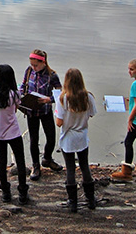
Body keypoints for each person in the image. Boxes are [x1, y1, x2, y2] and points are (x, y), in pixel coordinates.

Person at [55, 68, 98, 212]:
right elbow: (91, 114)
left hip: (68, 137)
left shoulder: (63, 98)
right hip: (82, 136)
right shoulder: (88, 97)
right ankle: (90, 199)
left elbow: (59, 123)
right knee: (85, 166)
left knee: (70, 169)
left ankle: (72, 201)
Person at [0, 64, 30, 205]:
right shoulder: (14, 94)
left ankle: (5, 192)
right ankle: (23, 192)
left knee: (2, 161)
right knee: (20, 161)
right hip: (13, 132)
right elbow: (16, 107)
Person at [19, 49, 63, 180]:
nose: (34, 67)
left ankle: (47, 159)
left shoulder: (52, 75)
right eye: (32, 65)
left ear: (43, 62)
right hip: (31, 110)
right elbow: (23, 86)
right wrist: (21, 96)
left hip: (45, 110)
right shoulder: (29, 71)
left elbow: (61, 93)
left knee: (51, 137)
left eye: (36, 65)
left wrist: (49, 99)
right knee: (34, 139)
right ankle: (35, 165)